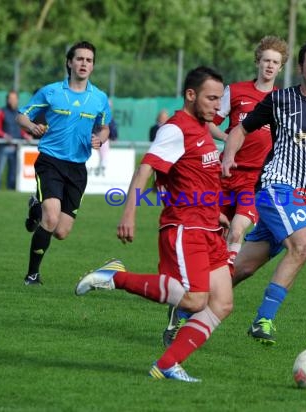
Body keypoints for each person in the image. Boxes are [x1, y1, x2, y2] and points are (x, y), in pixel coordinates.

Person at [74, 66, 232, 382]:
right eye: (212, 98)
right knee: (194, 300)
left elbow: (196, 177)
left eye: (220, 99)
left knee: (223, 302)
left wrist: (216, 212)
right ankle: (114, 277)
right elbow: (145, 171)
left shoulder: (201, 128)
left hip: (209, 227)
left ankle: (167, 364)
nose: (218, 106)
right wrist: (128, 213)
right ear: (191, 95)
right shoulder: (175, 129)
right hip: (185, 227)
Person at [220, 39, 306, 345]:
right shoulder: (280, 100)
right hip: (277, 186)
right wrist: (229, 156)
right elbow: (241, 129)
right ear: (301, 68)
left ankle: (186, 304)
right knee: (303, 247)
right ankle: (264, 319)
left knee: (243, 267)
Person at [162, 36, 289, 347]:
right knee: (208, 242)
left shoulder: (284, 100)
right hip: (223, 174)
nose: (270, 65)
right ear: (258, 61)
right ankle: (179, 312)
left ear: (281, 67)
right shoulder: (237, 92)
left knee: (237, 231)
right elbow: (211, 123)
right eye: (266, 60)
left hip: (255, 181)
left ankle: (218, 292)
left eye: (276, 62)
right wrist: (230, 141)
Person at [16, 40, 112, 286]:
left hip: (77, 169)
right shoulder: (51, 91)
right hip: (50, 161)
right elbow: (21, 115)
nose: (84, 64)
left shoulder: (99, 98)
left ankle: (35, 209)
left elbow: (104, 127)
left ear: (93, 66)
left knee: (60, 231)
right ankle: (32, 275)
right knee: (51, 219)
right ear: (69, 63)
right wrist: (32, 126)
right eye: (79, 59)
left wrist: (99, 139)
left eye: (89, 60)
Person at [0, 90, 32, 190]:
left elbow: (21, 130)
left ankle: (10, 190)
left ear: (17, 100)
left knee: (13, 172)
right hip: (4, 147)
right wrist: (4, 136)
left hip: (17, 148)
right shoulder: (1, 111)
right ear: (7, 99)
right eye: (10, 98)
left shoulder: (20, 113)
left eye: (14, 99)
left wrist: (26, 136)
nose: (12, 101)